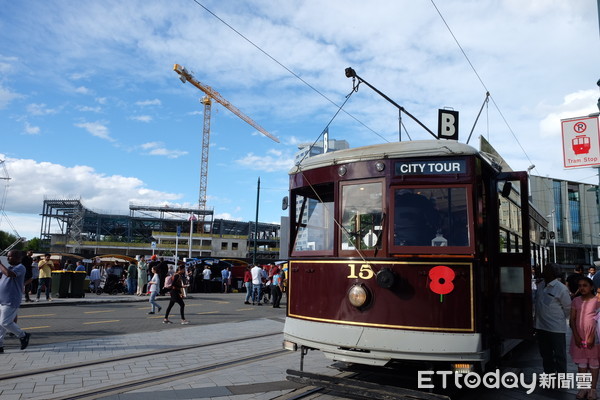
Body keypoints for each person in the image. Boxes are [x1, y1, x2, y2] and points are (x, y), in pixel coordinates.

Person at [535, 263, 571, 374]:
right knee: (545, 354)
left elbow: (568, 308)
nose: (543, 271)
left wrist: (560, 319)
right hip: (541, 326)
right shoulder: (541, 285)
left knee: (559, 354)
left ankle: (561, 376)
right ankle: (549, 374)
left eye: (546, 269)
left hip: (556, 328)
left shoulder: (561, 288)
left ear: (552, 273)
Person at [569, 277, 600, 399]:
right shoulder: (576, 301)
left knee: (594, 363)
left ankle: (593, 389)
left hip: (593, 337)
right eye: (580, 285)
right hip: (579, 335)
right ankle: (583, 388)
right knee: (581, 363)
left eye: (585, 285)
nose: (582, 288)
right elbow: (572, 319)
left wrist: (592, 336)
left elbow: (598, 320)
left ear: (591, 287)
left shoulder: (597, 301)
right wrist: (576, 336)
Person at [0, 250, 31, 352]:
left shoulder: (20, 268)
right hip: (2, 299)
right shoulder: (8, 267)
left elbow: (9, 274)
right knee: (1, 325)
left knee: (5, 322)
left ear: (18, 258)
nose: (8, 258)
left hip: (11, 300)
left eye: (10, 257)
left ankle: (23, 335)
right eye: (7, 257)